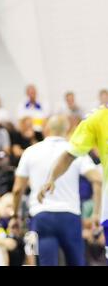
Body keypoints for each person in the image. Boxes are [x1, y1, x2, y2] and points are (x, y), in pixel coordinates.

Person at [13, 115, 102, 266]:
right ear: (67, 130)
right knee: (78, 262)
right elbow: (97, 179)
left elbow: (17, 190)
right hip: (70, 216)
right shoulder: (74, 151)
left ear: (46, 129)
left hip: (41, 217)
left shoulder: (30, 151)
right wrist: (96, 213)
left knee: (43, 261)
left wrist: (15, 215)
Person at [38, 105, 108, 262]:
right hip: (76, 214)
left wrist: (51, 179)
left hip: (46, 214)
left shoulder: (30, 152)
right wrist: (51, 178)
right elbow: (71, 156)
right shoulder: (97, 119)